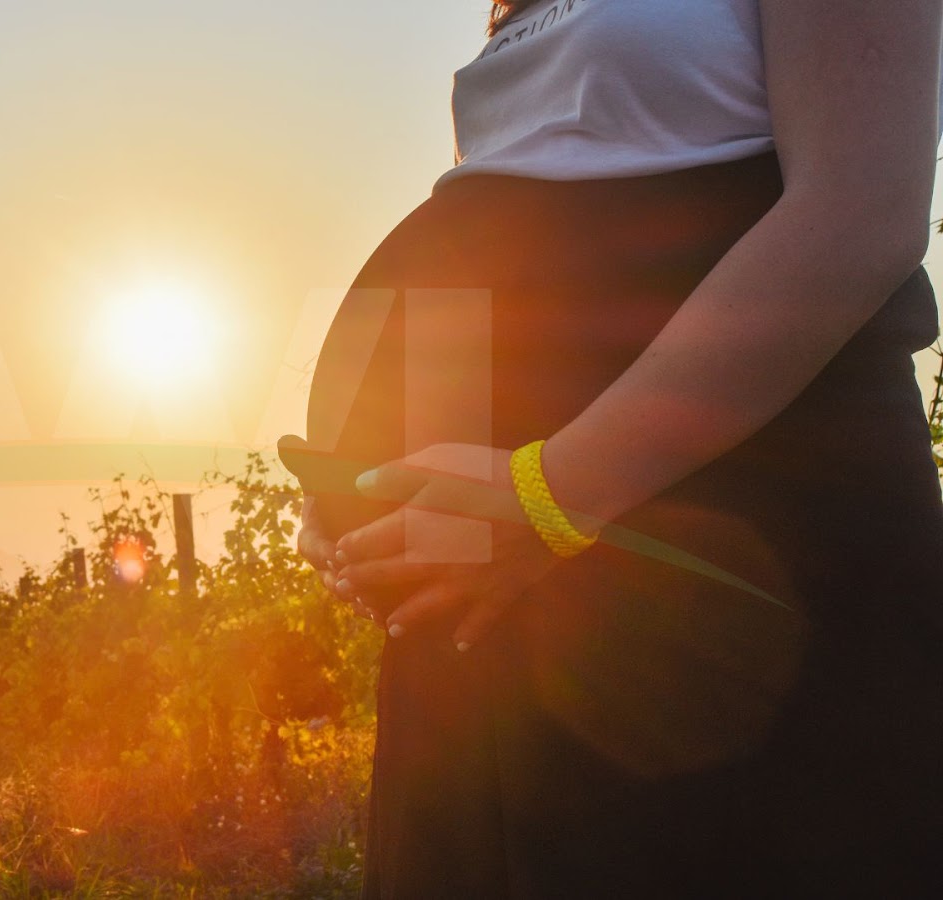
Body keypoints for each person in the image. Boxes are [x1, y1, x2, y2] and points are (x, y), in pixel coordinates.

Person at [287, 1, 943, 896]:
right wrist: (354, 489)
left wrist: (549, 496)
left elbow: (860, 212)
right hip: (499, 591)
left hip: (719, 548)